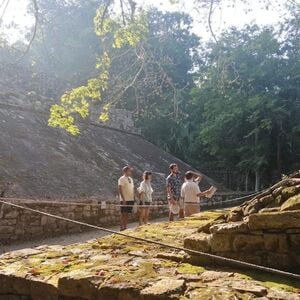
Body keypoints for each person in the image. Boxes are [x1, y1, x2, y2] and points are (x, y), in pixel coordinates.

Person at [118, 166, 135, 231]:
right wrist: (123, 199)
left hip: (130, 199)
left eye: (130, 171)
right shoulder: (121, 179)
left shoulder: (131, 179)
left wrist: (134, 197)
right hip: (124, 199)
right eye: (129, 171)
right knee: (123, 213)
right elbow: (120, 189)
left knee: (127, 213)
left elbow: (132, 188)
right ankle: (121, 227)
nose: (130, 172)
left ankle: (125, 227)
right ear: (125, 171)